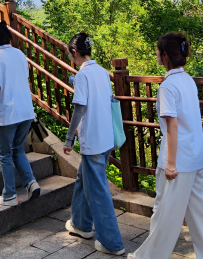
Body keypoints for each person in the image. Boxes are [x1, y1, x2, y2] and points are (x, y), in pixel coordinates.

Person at [129, 33, 203, 259]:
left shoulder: (168, 86)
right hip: (195, 157)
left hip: (177, 160)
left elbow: (172, 127)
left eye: (158, 51)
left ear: (164, 55)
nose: (156, 54)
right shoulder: (188, 80)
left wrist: (171, 164)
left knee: (165, 214)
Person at [63, 33, 125, 256]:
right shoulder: (101, 72)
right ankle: (80, 224)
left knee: (98, 191)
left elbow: (79, 108)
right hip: (106, 137)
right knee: (84, 178)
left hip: (93, 140)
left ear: (75, 53)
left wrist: (69, 139)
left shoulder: (83, 75)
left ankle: (112, 243)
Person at [0, 21, 40, 206]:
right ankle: (31, 182)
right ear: (8, 37)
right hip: (26, 110)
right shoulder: (20, 54)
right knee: (17, 148)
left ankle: (9, 195)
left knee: (5, 154)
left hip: (8, 112)